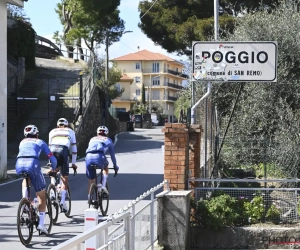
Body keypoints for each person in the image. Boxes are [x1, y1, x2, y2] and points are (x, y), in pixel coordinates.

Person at [16, 125, 57, 235]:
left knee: (26, 177)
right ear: (37, 134)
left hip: (19, 164)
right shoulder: (41, 142)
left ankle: (25, 201)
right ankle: (41, 225)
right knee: (41, 195)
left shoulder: (22, 142)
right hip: (33, 164)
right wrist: (53, 168)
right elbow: (52, 158)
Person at [48, 118, 77, 212]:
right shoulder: (70, 131)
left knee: (53, 170)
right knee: (64, 178)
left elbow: (49, 147)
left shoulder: (52, 131)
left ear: (57, 126)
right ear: (67, 125)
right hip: (63, 151)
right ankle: (63, 202)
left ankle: (52, 189)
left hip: (52, 150)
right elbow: (74, 149)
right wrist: (73, 163)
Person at [85, 126, 119, 200]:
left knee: (91, 180)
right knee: (105, 167)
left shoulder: (92, 139)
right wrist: (115, 166)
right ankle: (103, 186)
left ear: (97, 133)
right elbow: (112, 155)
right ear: (106, 133)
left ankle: (89, 198)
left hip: (88, 157)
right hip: (99, 156)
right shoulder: (108, 140)